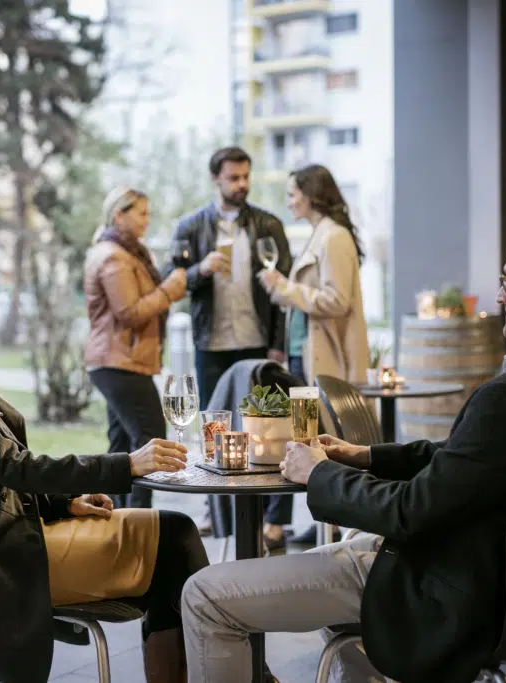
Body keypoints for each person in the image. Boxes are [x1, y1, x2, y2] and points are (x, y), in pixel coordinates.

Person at [181, 217, 506, 683]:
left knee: (203, 595)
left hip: (440, 591)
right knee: (350, 545)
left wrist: (317, 473)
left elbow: (408, 512)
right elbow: (469, 461)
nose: (499, 296)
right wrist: (366, 456)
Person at [0, 247, 210, 683]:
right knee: (174, 540)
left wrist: (62, 503)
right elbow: (14, 466)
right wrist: (125, 465)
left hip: (9, 535)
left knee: (173, 542)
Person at [171, 146, 293, 535]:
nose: (241, 185)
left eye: (245, 177)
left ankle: (274, 519)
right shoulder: (190, 226)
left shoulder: (268, 224)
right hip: (212, 344)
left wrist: (278, 344)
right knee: (215, 430)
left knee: (270, 429)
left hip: (258, 343)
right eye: (233, 178)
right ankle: (218, 511)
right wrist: (199, 271)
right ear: (215, 179)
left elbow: (281, 294)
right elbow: (172, 279)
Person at [257, 164, 370, 550]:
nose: (289, 201)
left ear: (311, 194)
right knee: (315, 437)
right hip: (308, 353)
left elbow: (335, 302)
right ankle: (327, 522)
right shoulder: (321, 235)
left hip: (327, 357)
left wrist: (283, 287)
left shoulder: (334, 237)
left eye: (292, 194)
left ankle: (336, 528)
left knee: (328, 440)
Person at [84, 186, 188, 509]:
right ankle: (140, 525)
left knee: (123, 446)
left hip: (117, 361)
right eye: (141, 213)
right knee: (150, 441)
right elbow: (128, 313)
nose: (147, 219)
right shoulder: (114, 257)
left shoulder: (124, 252)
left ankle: (116, 522)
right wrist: (170, 291)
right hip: (119, 362)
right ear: (119, 215)